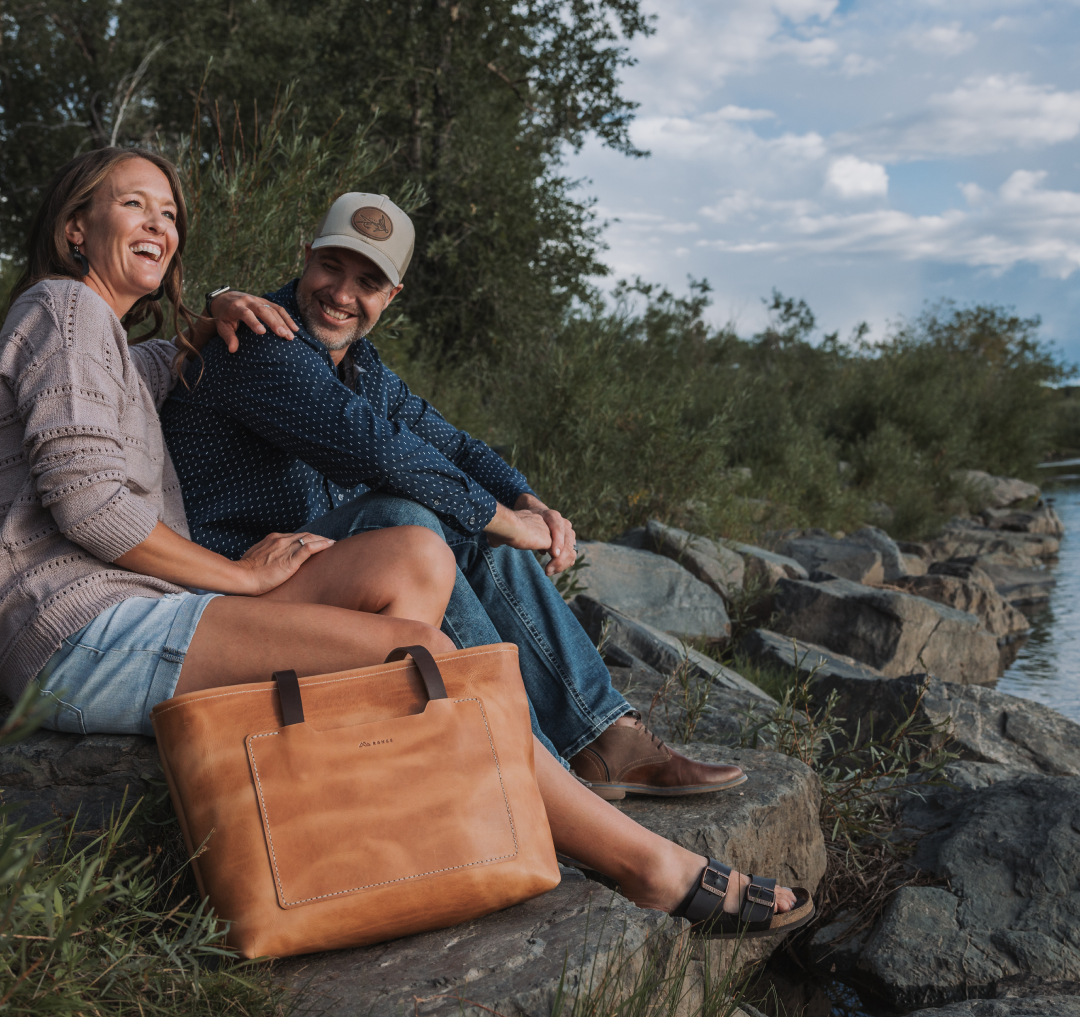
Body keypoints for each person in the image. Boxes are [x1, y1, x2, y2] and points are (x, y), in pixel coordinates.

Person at [0, 147, 812, 939]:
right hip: (80, 630)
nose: (159, 223)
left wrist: (523, 498)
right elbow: (92, 506)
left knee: (426, 548)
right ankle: (635, 858)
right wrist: (236, 579)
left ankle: (563, 750)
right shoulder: (74, 311)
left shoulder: (118, 337)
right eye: (133, 203)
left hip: (155, 608)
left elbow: (436, 437)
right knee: (418, 623)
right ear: (76, 229)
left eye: (169, 212)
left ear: (393, 293)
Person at [160, 192, 745, 799]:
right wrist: (502, 521)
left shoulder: (357, 363)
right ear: (305, 258)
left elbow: (452, 446)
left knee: (465, 513)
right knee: (410, 515)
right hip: (236, 590)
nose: (340, 293)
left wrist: (525, 501)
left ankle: (604, 738)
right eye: (331, 266)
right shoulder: (257, 340)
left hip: (305, 572)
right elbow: (375, 450)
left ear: (392, 296)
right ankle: (532, 764)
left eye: (368, 280)